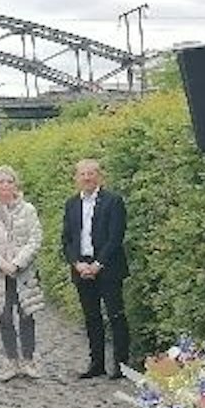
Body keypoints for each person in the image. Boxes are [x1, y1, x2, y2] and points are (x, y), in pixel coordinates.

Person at [0, 165, 46, 381]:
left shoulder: (28, 209)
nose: (5, 185)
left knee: (27, 314)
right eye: (1, 182)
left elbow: (35, 239)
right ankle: (11, 360)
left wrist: (18, 263)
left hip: (23, 273)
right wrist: (0, 263)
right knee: (4, 316)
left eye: (9, 181)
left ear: (16, 185)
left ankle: (29, 359)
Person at [60, 158, 130, 379]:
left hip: (108, 267)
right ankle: (96, 363)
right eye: (82, 174)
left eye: (91, 173)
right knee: (91, 317)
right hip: (82, 267)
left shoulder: (113, 201)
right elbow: (67, 239)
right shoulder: (71, 204)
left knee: (115, 315)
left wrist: (98, 264)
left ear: (100, 176)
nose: (87, 178)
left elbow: (115, 236)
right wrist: (77, 263)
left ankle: (121, 364)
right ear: (76, 178)